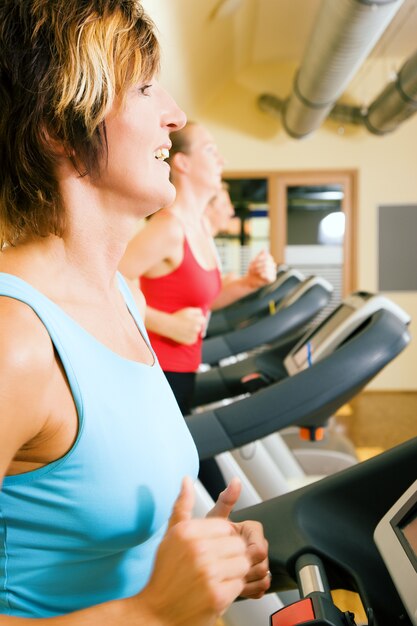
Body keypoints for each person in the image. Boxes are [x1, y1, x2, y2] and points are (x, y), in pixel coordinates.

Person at [0, 2, 271, 624]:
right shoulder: (15, 339)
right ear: (58, 128)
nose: (174, 114)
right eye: (145, 87)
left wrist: (207, 557)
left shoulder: (119, 295)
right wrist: (146, 613)